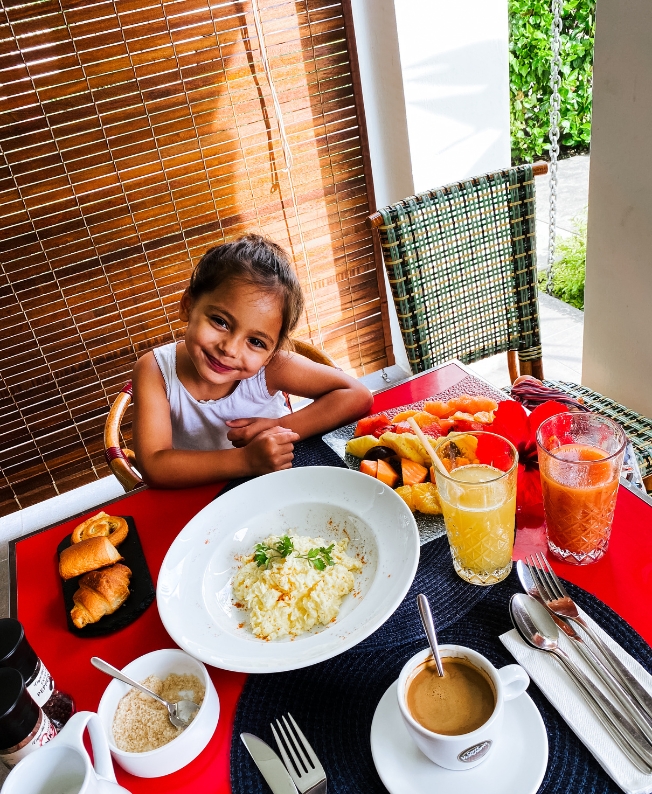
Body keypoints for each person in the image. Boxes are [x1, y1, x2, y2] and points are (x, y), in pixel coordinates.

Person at [132, 234, 373, 488]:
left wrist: (279, 426)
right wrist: (246, 460)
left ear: (271, 353)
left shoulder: (272, 367)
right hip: (202, 497)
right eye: (220, 321)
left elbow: (356, 394)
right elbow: (154, 466)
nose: (230, 349)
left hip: (279, 484)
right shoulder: (154, 370)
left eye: (256, 342)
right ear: (188, 305)